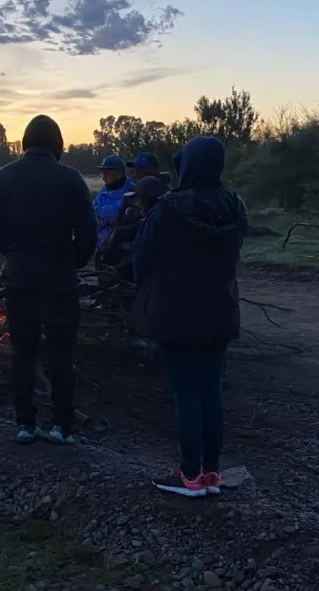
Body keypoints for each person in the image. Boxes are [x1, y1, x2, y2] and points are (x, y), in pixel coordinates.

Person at [131, 136, 247, 498]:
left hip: (176, 315)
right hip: (219, 312)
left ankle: (190, 476)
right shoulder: (235, 207)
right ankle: (211, 473)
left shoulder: (167, 208)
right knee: (211, 391)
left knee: (186, 396)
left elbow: (141, 259)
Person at [0, 115, 98, 445]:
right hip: (60, 281)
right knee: (61, 356)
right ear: (58, 146)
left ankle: (25, 423)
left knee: (23, 352)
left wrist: (16, 254)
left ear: (25, 143)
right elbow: (88, 236)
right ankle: (62, 425)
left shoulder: (2, 178)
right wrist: (70, 262)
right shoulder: (71, 179)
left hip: (20, 279)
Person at [93, 155, 132, 249]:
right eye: (102, 174)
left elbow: (116, 215)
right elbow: (90, 212)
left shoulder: (131, 189)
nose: (103, 178)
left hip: (122, 249)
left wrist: (100, 213)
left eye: (106, 173)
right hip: (100, 245)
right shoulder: (104, 190)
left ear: (119, 173)